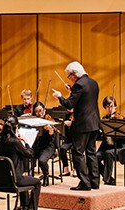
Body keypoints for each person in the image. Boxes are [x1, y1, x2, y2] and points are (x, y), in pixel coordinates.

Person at [51, 61, 101, 191]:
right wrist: (72, 91)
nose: (70, 78)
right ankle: (94, 181)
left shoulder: (79, 85)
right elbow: (85, 100)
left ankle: (85, 182)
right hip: (94, 123)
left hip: (83, 125)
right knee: (91, 152)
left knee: (77, 152)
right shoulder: (93, 82)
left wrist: (60, 96)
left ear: (74, 74)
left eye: (69, 76)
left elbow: (69, 105)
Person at [0, 115, 41, 210]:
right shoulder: (14, 142)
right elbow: (29, 154)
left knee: (23, 179)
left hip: (2, 179)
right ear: (16, 127)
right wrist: (25, 142)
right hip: (14, 179)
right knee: (37, 183)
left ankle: (25, 208)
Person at [96, 96, 125, 186]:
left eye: (111, 106)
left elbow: (124, 138)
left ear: (115, 106)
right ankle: (109, 178)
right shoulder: (104, 119)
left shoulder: (121, 118)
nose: (110, 109)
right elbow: (100, 135)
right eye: (107, 107)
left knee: (108, 153)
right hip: (106, 147)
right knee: (94, 157)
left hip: (119, 147)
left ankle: (107, 180)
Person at [31, 102, 57, 186]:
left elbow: (51, 139)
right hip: (37, 145)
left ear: (44, 110)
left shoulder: (49, 120)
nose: (39, 113)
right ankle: (29, 177)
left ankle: (46, 175)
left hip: (48, 146)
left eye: (41, 111)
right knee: (25, 155)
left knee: (42, 160)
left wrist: (50, 131)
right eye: (37, 111)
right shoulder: (33, 120)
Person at [58, 108, 75, 177]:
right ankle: (66, 169)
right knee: (62, 149)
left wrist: (73, 124)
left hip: (77, 139)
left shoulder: (79, 114)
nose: (69, 109)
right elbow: (61, 128)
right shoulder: (66, 115)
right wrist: (64, 124)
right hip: (68, 139)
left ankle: (75, 169)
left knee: (75, 149)